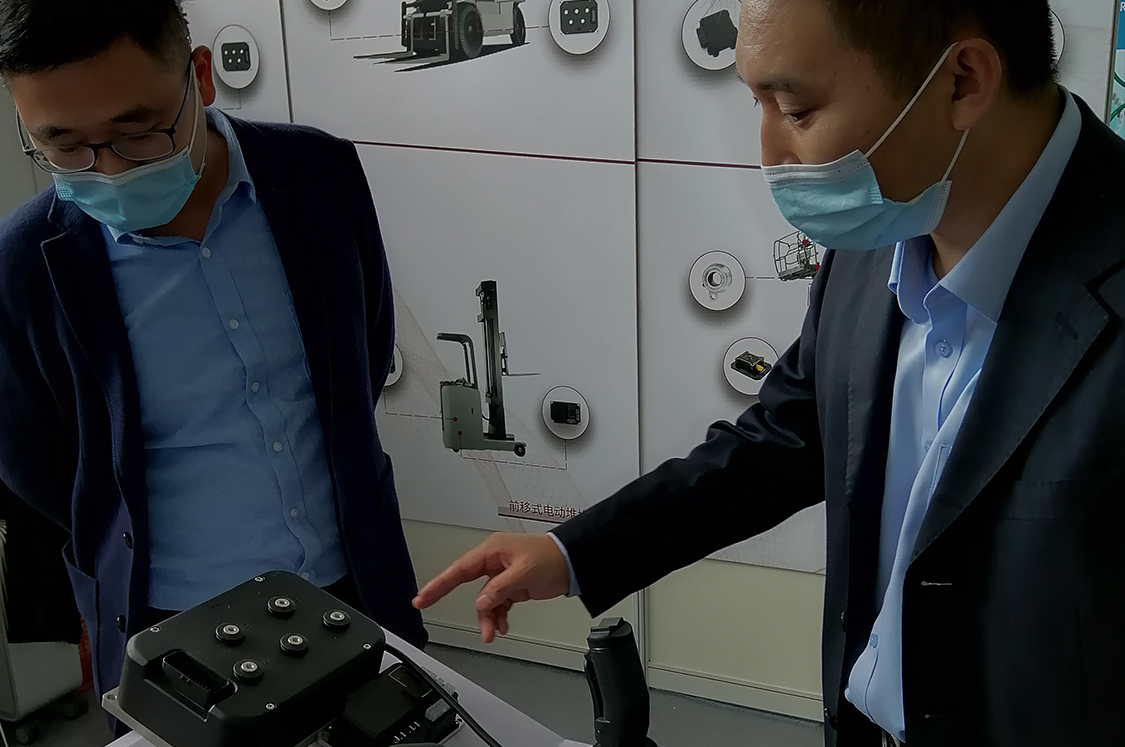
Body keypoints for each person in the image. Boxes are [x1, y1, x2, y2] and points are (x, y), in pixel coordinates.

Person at [415, 0, 1125, 745]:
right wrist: (575, 553)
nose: (768, 152)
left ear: (962, 81)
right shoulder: (880, 228)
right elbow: (783, 440)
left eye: (795, 110)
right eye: (754, 103)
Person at [0, 0, 427, 726]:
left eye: (138, 132)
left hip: (355, 583)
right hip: (171, 628)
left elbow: (365, 352)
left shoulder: (319, 174)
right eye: (63, 145)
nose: (108, 170)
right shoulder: (25, 265)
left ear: (200, 76)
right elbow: (34, 463)